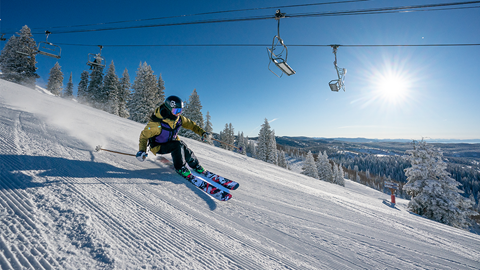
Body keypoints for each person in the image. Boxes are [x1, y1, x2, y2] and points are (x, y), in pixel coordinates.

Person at [136, 95, 211, 179]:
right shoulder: (156, 123)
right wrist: (142, 150)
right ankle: (180, 168)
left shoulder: (179, 119)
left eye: (180, 111)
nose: (178, 113)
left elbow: (192, 125)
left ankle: (195, 165)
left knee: (183, 145)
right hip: (158, 146)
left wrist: (202, 133)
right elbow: (144, 136)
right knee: (178, 145)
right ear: (168, 109)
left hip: (171, 142)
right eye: (176, 111)